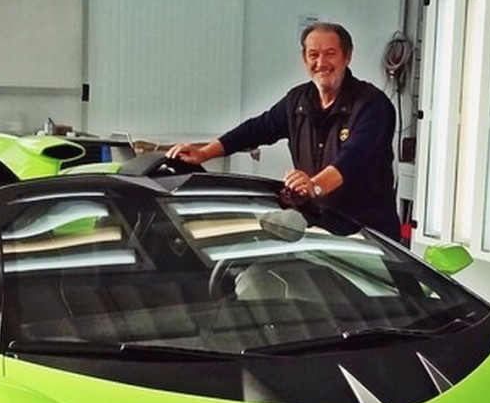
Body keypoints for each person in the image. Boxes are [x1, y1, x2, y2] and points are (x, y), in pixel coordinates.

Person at [168, 22, 401, 240]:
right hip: (320, 230)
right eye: (313, 55)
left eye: (330, 53)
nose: (321, 63)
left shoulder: (372, 105)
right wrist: (204, 153)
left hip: (368, 234)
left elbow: (354, 157)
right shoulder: (298, 100)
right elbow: (257, 129)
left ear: (347, 56)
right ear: (304, 59)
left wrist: (314, 186)